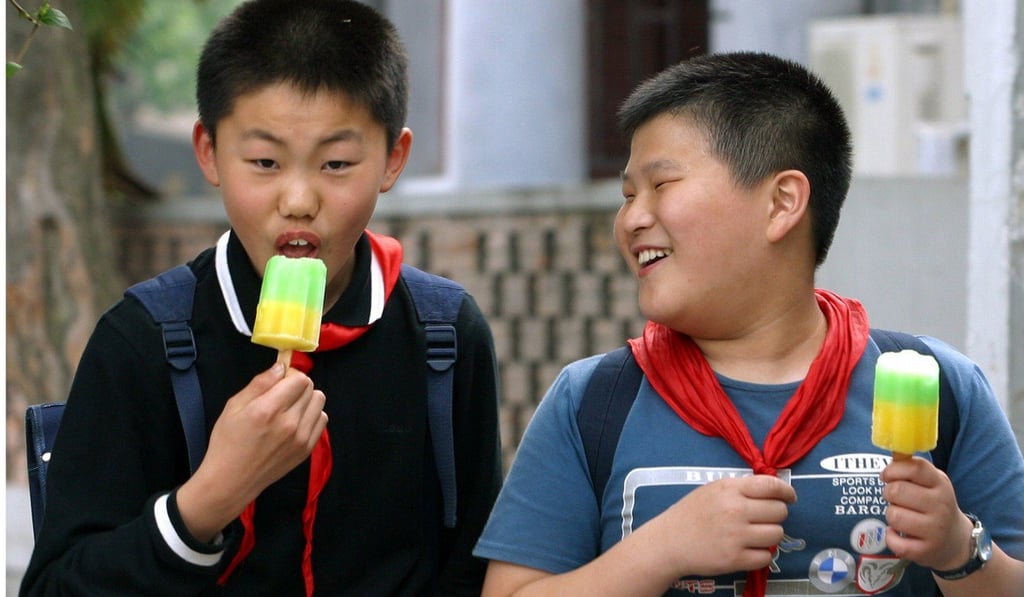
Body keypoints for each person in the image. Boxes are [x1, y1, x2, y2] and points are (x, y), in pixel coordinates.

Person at [473, 52, 1024, 596]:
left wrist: (961, 551)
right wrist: (660, 551)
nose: (632, 219)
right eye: (628, 195)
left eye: (661, 185)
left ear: (782, 203)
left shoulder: (944, 384)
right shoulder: (593, 400)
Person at [20, 1, 502, 595]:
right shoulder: (142, 342)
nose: (298, 200)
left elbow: (477, 568)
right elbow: (56, 586)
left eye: (336, 163)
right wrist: (210, 496)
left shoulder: (444, 338)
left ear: (392, 159)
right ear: (209, 152)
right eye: (265, 162)